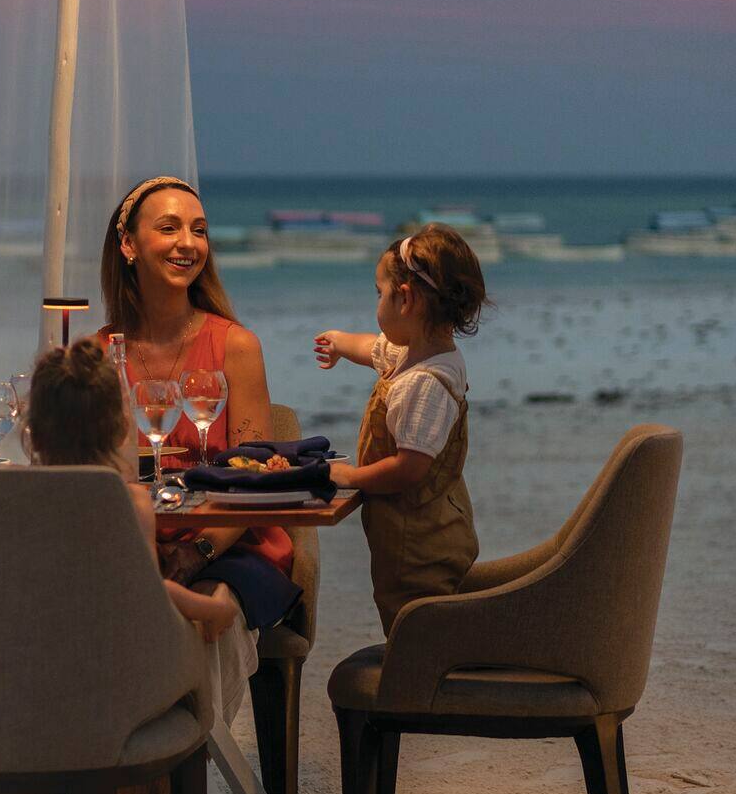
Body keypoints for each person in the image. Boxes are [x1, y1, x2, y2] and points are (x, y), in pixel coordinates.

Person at [0, 341, 254, 794]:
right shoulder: (129, 503)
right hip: (113, 695)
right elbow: (146, 595)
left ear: (31, 431)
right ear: (119, 425)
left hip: (29, 694)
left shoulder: (13, 499)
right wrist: (210, 609)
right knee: (155, 687)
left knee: (17, 692)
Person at [99, 175, 300, 634]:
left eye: (199, 230)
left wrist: (198, 551)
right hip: (133, 546)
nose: (187, 243)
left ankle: (195, 708)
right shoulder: (100, 353)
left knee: (196, 619)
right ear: (129, 244)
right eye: (169, 228)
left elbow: (253, 482)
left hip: (230, 547)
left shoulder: (237, 347)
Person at [312, 222, 490, 634]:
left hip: (418, 547)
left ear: (405, 299)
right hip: (428, 529)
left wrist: (350, 477)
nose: (377, 303)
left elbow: (409, 468)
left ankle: (422, 690)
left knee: (416, 626)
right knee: (422, 625)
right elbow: (373, 348)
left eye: (379, 293)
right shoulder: (420, 354)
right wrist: (340, 342)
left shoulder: (422, 384)